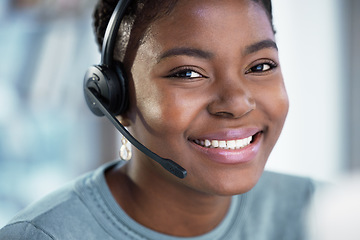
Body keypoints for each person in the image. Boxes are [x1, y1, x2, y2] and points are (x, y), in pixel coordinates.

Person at [0, 0, 315, 239]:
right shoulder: (44, 235)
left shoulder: (322, 215)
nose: (236, 103)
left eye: (260, 66)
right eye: (188, 73)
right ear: (113, 97)